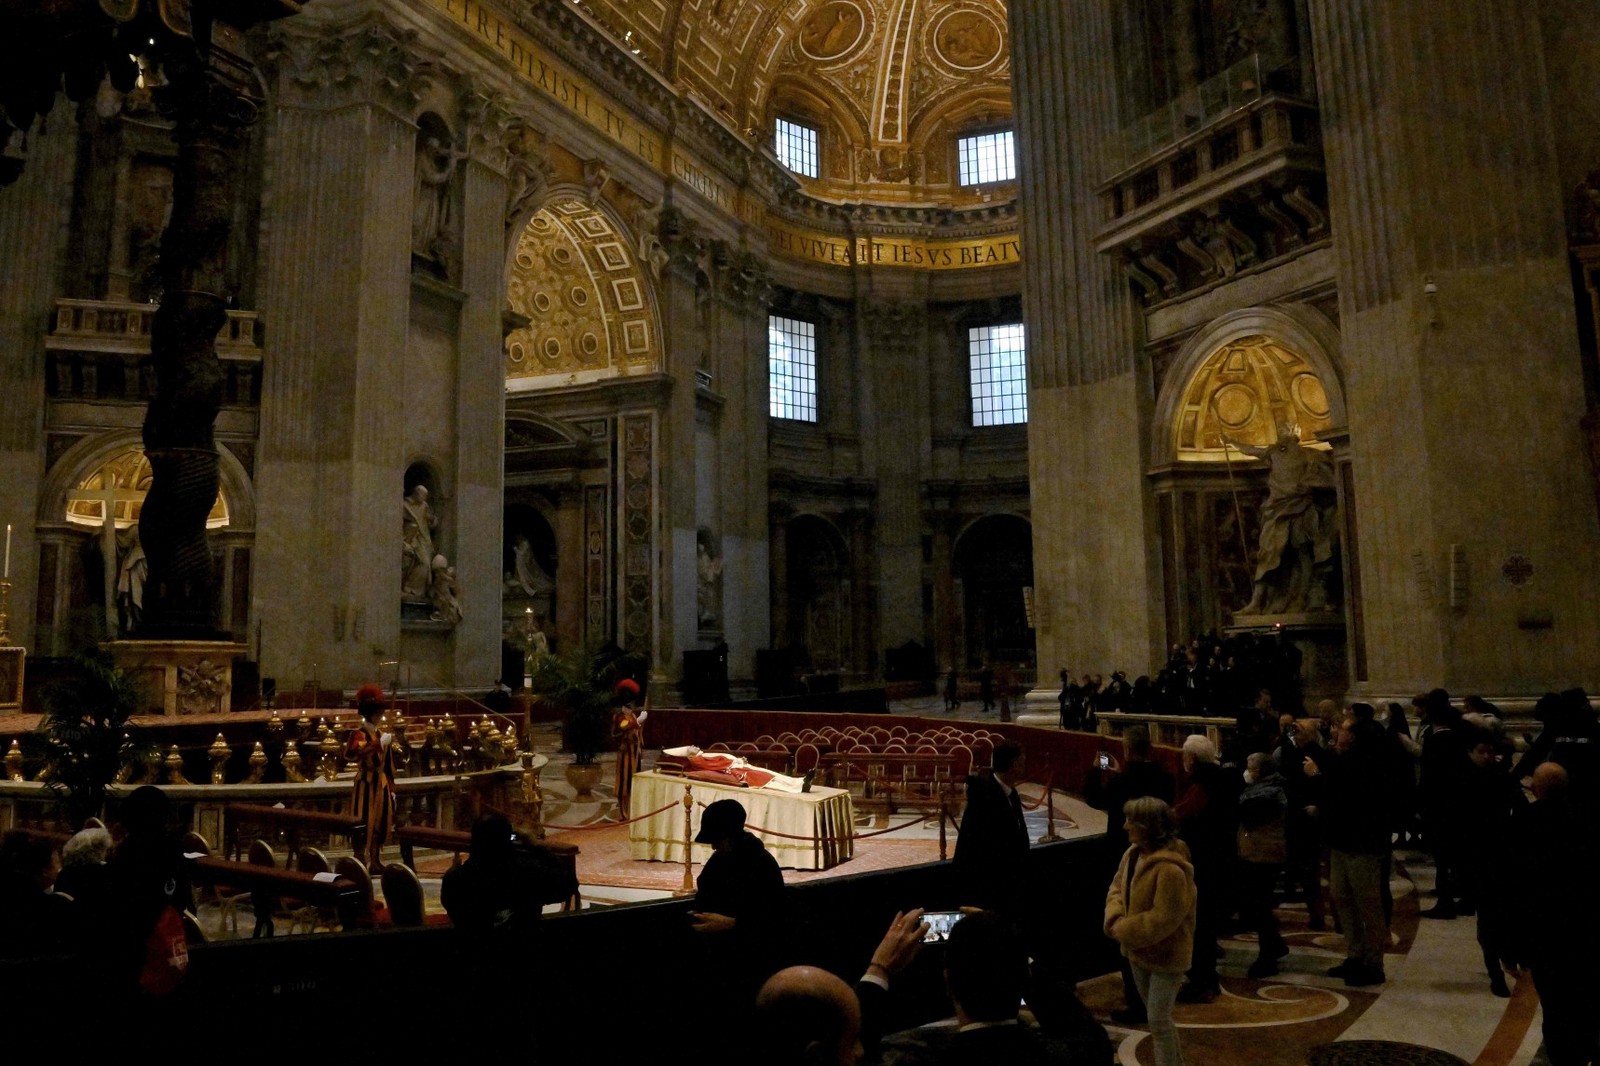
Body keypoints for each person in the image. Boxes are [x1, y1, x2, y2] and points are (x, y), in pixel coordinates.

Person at [878, 910, 1114, 1066]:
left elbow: (846, 1048)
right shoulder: (1070, 1055)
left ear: (947, 981)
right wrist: (1011, 946)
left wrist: (879, 968)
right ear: (1024, 978)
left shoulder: (908, 1059)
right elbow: (1088, 1033)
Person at [1084, 723, 1176, 1023]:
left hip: (1127, 856)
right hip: (1163, 852)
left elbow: (1096, 799)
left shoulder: (1123, 781)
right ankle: (1157, 993)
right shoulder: (1164, 777)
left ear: (1126, 748)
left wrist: (1095, 771)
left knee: (1131, 921)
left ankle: (1137, 1000)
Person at [1104, 797, 1196, 1066]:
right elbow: (1116, 888)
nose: (1125, 826)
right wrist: (1115, 917)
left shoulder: (1171, 869)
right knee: (1158, 1020)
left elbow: (1164, 919)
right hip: (1138, 949)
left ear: (1148, 826)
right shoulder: (1132, 854)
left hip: (1167, 954)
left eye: (1131, 821)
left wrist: (1124, 928)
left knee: (1158, 1021)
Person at [1304, 708, 1391, 987]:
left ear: (1354, 737)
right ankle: (1354, 954)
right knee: (1342, 897)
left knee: (1367, 904)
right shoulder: (1345, 760)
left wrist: (1317, 776)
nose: (1337, 731)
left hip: (1362, 843)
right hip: (1340, 841)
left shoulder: (1369, 764)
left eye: (1342, 728)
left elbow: (1345, 796)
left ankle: (1374, 963)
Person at [1223, 425, 1338, 614]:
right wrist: (1231, 442)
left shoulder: (1310, 455)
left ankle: (1303, 598)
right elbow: (1251, 450)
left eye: (1285, 429)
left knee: (1303, 555)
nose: (1280, 434)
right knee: (1267, 553)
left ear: (1296, 434)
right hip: (1277, 510)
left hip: (1301, 508)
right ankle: (1257, 602)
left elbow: (1329, 478)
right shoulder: (1273, 452)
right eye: (1280, 430)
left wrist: (1309, 487)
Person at [691, 799, 789, 1005]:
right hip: (720, 959)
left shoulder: (762, 865)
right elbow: (706, 889)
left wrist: (733, 924)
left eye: (718, 839)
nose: (713, 845)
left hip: (751, 964)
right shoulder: (720, 860)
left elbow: (774, 921)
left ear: (732, 836)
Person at [1174, 735, 1236, 1003]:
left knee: (1200, 926)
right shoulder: (1224, 779)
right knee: (1206, 925)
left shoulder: (1202, 785)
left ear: (1191, 758)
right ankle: (1207, 980)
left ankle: (1203, 982)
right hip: (1222, 858)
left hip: (1204, 861)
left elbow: (1181, 815)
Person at [440, 813, 551, 941]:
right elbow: (567, 883)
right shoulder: (529, 875)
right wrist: (536, 846)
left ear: (474, 841)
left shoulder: (454, 880)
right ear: (507, 841)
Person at [951, 740, 1030, 915]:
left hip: (1010, 884)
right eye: (1021, 761)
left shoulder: (1010, 793)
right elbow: (982, 848)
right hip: (990, 888)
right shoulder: (984, 797)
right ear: (1013, 765)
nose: (1024, 764)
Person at [1236, 751, 1290, 977]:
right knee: (1256, 905)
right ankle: (1275, 946)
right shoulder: (1259, 790)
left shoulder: (1268, 794)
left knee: (1260, 906)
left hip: (1265, 855)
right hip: (1256, 852)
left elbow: (1248, 817)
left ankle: (1268, 956)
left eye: (1253, 768)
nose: (1248, 772)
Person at [345, 684, 398, 871]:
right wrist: (377, 744)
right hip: (365, 784)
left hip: (381, 783)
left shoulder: (383, 735)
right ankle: (360, 858)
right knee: (362, 821)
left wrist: (392, 789)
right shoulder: (358, 734)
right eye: (377, 712)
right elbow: (353, 753)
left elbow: (389, 767)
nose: (379, 715)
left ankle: (375, 860)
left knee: (379, 823)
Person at [610, 678, 647, 817]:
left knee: (633, 782)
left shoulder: (632, 715)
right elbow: (623, 726)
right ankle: (624, 812)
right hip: (625, 752)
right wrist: (637, 722)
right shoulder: (619, 716)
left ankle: (631, 809)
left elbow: (637, 732)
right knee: (624, 783)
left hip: (634, 753)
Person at [401, 484, 439, 600]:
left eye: (426, 496)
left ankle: (417, 591)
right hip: (412, 539)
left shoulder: (424, 506)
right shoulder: (404, 505)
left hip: (424, 539)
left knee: (426, 564)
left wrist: (432, 520)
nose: (425, 498)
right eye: (423, 495)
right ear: (416, 493)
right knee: (424, 563)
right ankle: (411, 590)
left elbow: (432, 523)